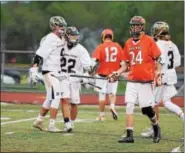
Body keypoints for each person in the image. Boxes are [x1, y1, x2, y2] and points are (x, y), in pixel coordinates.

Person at [108, 16, 163, 143]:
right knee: (129, 105)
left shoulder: (149, 41)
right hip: (132, 81)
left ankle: (156, 127)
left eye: (137, 25)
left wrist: (158, 72)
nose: (134, 28)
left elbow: (159, 59)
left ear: (142, 26)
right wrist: (117, 72)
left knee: (147, 109)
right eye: (132, 25)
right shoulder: (128, 43)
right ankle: (129, 134)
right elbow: (125, 64)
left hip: (145, 81)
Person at [141, 21, 184, 138]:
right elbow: (178, 62)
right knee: (166, 102)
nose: (153, 32)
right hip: (170, 76)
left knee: (152, 103)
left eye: (155, 30)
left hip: (160, 76)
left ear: (159, 32)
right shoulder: (172, 45)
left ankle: (154, 129)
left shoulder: (156, 45)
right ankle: (182, 116)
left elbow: (153, 61)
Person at [30, 16, 68, 132]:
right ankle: (51, 125)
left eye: (62, 25)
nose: (62, 28)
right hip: (49, 71)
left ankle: (39, 121)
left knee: (50, 98)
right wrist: (34, 70)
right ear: (53, 26)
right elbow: (38, 56)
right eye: (59, 25)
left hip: (56, 71)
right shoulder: (50, 39)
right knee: (57, 96)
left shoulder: (61, 38)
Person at [59, 26, 92, 130]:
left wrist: (87, 75)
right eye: (72, 35)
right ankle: (67, 123)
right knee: (64, 99)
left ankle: (72, 122)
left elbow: (89, 66)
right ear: (66, 36)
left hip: (75, 79)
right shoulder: (60, 46)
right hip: (63, 77)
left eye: (75, 35)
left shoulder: (81, 50)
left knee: (74, 103)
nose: (74, 37)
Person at [92, 29, 123, 121]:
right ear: (111, 36)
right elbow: (123, 61)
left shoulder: (100, 47)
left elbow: (95, 61)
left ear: (103, 37)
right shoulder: (117, 46)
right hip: (114, 74)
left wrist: (91, 71)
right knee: (112, 93)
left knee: (102, 94)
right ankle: (112, 106)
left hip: (102, 74)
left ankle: (102, 115)